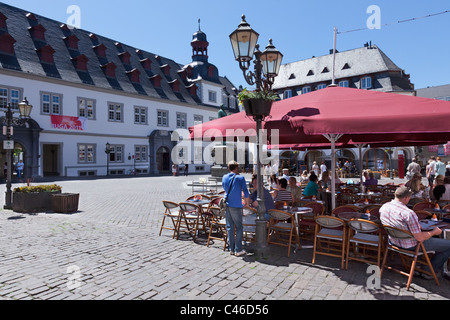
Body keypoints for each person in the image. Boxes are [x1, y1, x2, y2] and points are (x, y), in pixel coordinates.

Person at [380, 186, 450, 281]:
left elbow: (397, 224)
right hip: (411, 245)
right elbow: (420, 238)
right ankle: (428, 270)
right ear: (406, 198)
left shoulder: (384, 207)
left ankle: (422, 266)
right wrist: (434, 232)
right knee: (448, 245)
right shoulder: (408, 213)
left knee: (436, 241)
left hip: (393, 241)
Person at [222, 161, 250, 257]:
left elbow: (225, 189)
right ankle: (238, 249)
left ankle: (231, 249)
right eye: (238, 168)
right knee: (239, 227)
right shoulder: (240, 178)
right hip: (236, 205)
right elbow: (246, 192)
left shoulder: (224, 177)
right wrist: (247, 203)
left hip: (227, 205)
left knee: (230, 227)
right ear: (236, 168)